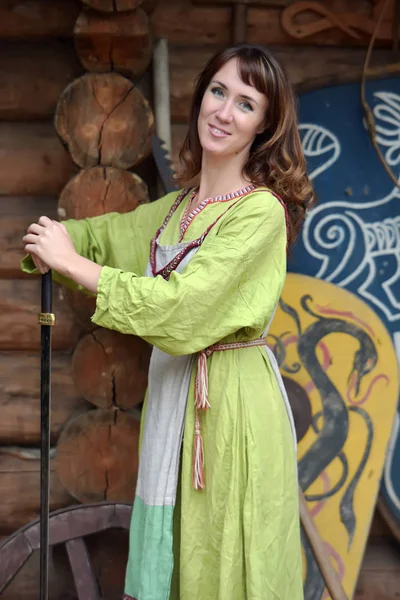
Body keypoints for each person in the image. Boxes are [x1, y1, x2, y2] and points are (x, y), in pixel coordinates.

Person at [22, 44, 313, 600]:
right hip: (178, 409)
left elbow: (182, 309)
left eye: (246, 104)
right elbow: (109, 238)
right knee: (184, 551)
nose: (224, 111)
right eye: (219, 91)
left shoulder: (260, 212)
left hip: (231, 412)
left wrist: (74, 264)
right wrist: (55, 243)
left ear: (265, 127)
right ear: (201, 96)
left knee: (225, 552)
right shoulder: (178, 210)